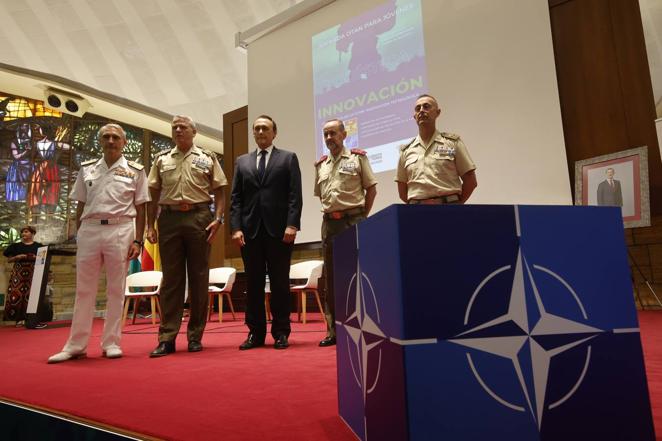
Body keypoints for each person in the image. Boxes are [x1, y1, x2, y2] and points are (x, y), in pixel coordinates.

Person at [48, 123, 149, 363]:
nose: (111, 141)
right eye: (106, 137)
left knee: (116, 288)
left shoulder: (136, 171)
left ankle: (111, 342)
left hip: (121, 228)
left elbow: (142, 206)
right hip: (90, 229)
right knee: (84, 289)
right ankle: (76, 344)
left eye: (116, 137)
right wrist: (78, 231)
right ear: (101, 141)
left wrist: (138, 239)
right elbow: (80, 204)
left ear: (124, 142)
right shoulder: (87, 169)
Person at [146, 115, 227, 357]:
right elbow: (152, 194)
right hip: (169, 219)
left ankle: (195, 336)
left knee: (199, 278)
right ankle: (167, 337)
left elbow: (220, 190)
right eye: (175, 127)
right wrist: (150, 226)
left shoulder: (208, 157)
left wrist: (218, 218)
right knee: (171, 279)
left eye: (183, 127)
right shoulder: (161, 159)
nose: (178, 130)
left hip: (199, 217)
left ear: (194, 131)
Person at [230, 115, 303, 350]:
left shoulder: (288, 158)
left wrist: (292, 224)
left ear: (274, 133)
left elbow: (294, 196)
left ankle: (281, 332)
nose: (261, 132)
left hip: (280, 232)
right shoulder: (242, 162)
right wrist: (236, 227)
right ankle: (255, 333)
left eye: (265, 128)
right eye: (257, 128)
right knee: (253, 283)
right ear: (253, 133)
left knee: (280, 283)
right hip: (250, 232)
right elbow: (236, 199)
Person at [314, 119, 377, 347]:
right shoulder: (320, 165)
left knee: (358, 275)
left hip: (354, 221)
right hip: (330, 224)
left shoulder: (358, 158)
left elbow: (371, 190)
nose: (329, 138)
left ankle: (363, 326)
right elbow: (321, 196)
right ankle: (333, 331)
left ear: (343, 134)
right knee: (331, 279)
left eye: (333, 133)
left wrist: (361, 217)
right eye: (325, 134)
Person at [396, 94, 477, 204]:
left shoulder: (452, 143)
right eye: (417, 108)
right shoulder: (405, 151)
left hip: (449, 209)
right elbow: (402, 191)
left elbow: (470, 181)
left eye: (426, 106)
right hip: (416, 213)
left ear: (437, 113)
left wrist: (456, 206)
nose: (421, 110)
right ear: (414, 116)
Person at [3, 225, 43, 325]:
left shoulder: (39, 246)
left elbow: (43, 260)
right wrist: (18, 256)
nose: (23, 234)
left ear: (32, 233)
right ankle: (18, 319)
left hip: (33, 273)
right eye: (23, 232)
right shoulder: (15, 246)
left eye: (26, 231)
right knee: (17, 295)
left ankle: (30, 319)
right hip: (18, 274)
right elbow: (9, 260)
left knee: (31, 294)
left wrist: (34, 257)